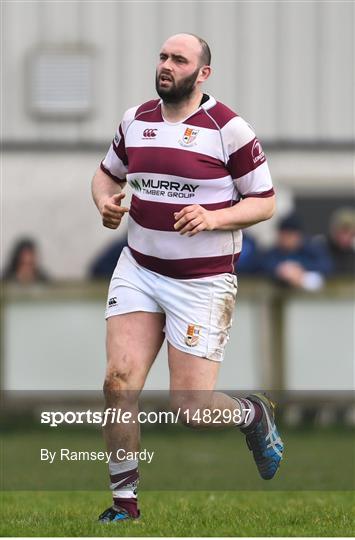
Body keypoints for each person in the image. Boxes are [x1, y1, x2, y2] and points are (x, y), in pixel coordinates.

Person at [91, 33, 284, 523]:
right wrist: (105, 202)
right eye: (162, 56)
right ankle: (124, 507)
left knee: (192, 409)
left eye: (179, 59)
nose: (166, 65)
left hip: (202, 282)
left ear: (203, 73)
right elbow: (106, 174)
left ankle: (253, 415)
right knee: (118, 383)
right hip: (139, 269)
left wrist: (214, 218)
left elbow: (264, 201)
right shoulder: (136, 120)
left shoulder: (228, 129)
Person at [261, 213, 333, 291]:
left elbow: (326, 265)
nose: (287, 239)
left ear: (299, 235)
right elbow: (261, 265)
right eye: (284, 234)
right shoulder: (273, 253)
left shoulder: (310, 249)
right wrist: (281, 270)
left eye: (290, 235)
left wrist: (300, 269)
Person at [325, 207, 355, 275]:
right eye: (344, 232)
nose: (346, 237)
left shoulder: (352, 254)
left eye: (351, 234)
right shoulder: (320, 251)